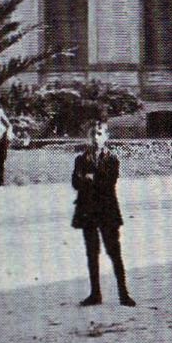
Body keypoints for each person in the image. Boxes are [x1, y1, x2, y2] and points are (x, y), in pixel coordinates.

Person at [71, 119, 134, 307]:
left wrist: (90, 179)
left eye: (99, 134)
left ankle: (123, 294)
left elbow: (109, 183)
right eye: (92, 134)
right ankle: (95, 294)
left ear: (106, 137)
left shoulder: (112, 159)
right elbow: (75, 183)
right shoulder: (80, 159)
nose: (95, 138)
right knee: (92, 253)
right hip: (87, 211)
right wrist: (89, 180)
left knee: (114, 252)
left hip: (107, 211)